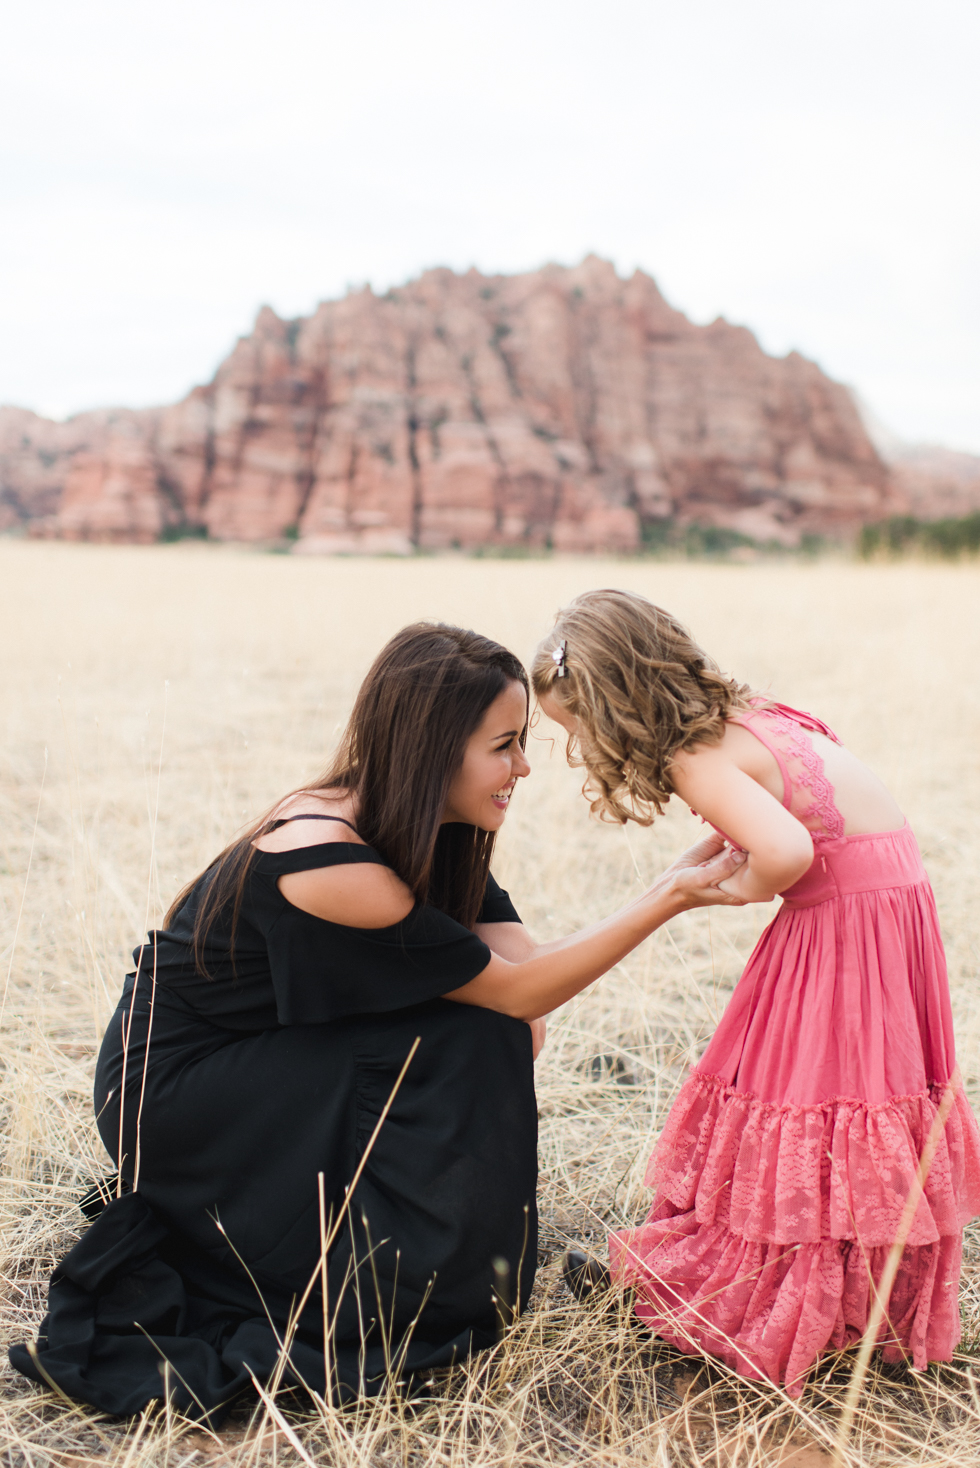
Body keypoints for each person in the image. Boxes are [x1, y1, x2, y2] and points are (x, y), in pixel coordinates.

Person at [11, 621, 745, 1424]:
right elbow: (521, 995)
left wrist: (640, 901)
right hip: (178, 1095)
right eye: (504, 745)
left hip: (261, 1062)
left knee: (482, 1039)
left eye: (523, 742)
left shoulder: (421, 825)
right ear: (435, 750)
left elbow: (524, 980)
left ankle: (408, 1258)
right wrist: (667, 897)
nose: (524, 767)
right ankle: (402, 1281)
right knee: (476, 1037)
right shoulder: (334, 866)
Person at [532, 588, 980, 1397]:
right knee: (853, 1089)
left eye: (580, 732)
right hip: (887, 909)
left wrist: (735, 888)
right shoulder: (751, 718)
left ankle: (761, 1295)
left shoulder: (690, 758)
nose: (581, 750)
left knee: (800, 1093)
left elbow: (785, 846)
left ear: (617, 708)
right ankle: (853, 1290)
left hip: (842, 925)